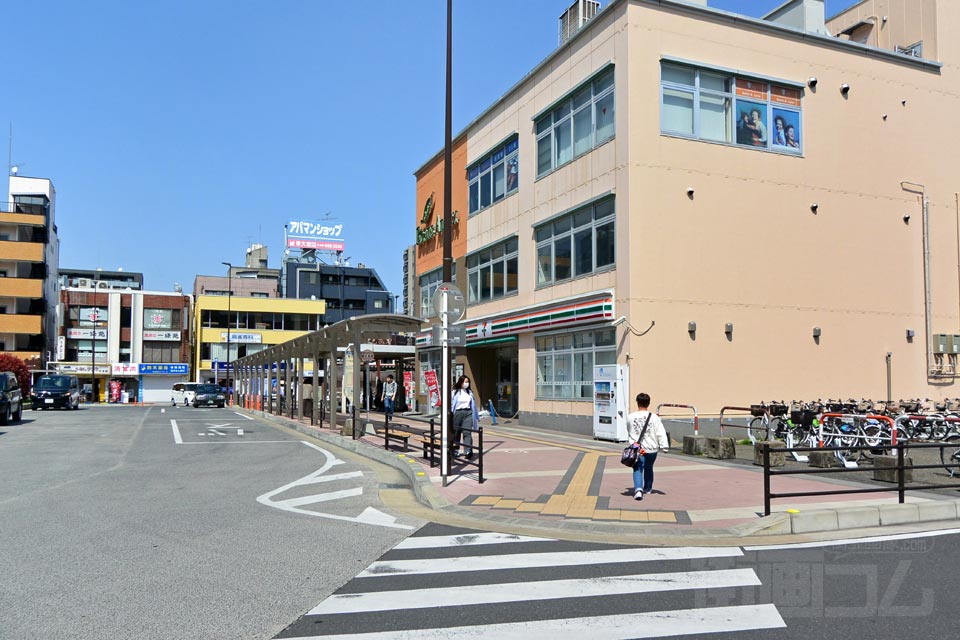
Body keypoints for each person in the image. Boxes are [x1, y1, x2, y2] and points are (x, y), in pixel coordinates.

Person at [627, 392, 669, 501]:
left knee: (637, 468)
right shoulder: (654, 417)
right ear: (648, 403)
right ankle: (648, 488)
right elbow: (661, 432)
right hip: (652, 449)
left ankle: (638, 490)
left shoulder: (631, 417)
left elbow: (629, 430)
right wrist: (664, 446)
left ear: (637, 403)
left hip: (637, 448)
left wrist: (632, 442)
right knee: (649, 467)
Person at [451, 375, 480, 459]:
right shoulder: (455, 392)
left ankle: (468, 450)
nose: (466, 384)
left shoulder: (470, 392)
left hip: (468, 413)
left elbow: (473, 405)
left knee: (467, 432)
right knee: (456, 432)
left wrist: (476, 416)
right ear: (460, 382)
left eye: (468, 382)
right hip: (457, 413)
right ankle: (455, 450)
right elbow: (451, 403)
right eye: (465, 382)